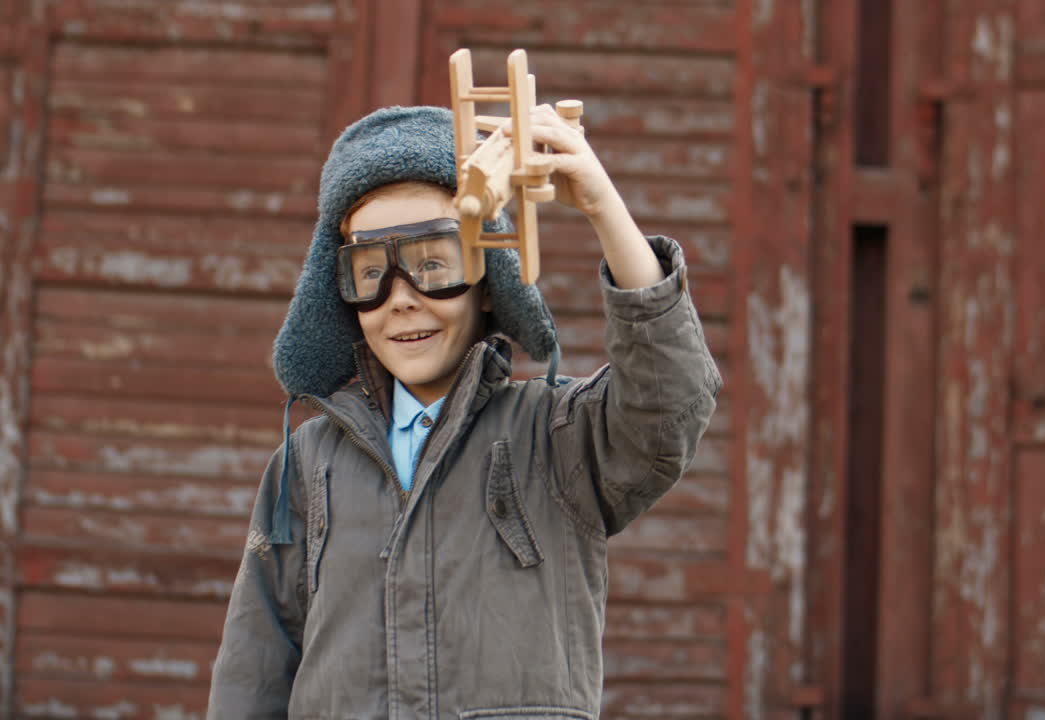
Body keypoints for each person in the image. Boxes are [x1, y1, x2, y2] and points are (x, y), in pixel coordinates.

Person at [206, 103, 721, 718]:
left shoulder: (557, 437)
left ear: (488, 279)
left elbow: (669, 406)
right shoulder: (307, 465)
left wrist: (600, 203)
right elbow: (252, 669)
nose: (401, 299)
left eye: (433, 264)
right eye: (370, 273)